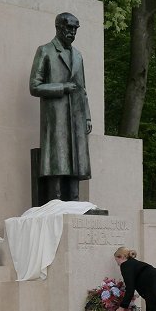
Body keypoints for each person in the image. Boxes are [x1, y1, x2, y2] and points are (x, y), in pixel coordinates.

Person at [30, 12, 92, 203]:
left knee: (76, 162)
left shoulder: (78, 56)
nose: (73, 32)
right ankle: (54, 201)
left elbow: (83, 89)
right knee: (57, 160)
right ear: (58, 27)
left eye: (75, 28)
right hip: (56, 116)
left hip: (77, 116)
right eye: (69, 28)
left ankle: (74, 202)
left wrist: (87, 116)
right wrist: (62, 87)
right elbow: (34, 86)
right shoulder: (46, 51)